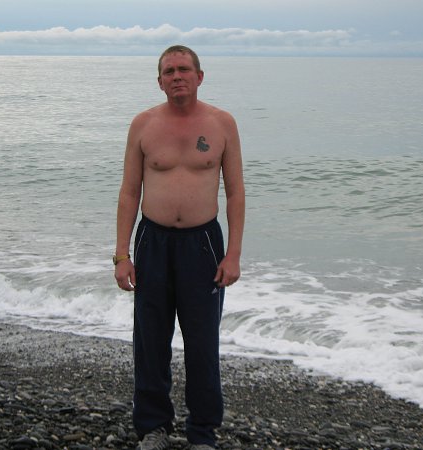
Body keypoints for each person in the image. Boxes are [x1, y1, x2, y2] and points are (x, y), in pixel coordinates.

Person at [114, 45, 245, 450]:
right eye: (169, 71)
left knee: (202, 341)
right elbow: (129, 192)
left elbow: (236, 192)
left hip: (202, 243)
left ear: (199, 76)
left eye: (184, 69)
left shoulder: (222, 123)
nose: (177, 76)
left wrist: (234, 255)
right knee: (150, 339)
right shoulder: (143, 124)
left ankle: (202, 432)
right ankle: (153, 427)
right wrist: (122, 255)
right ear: (159, 81)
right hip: (152, 242)